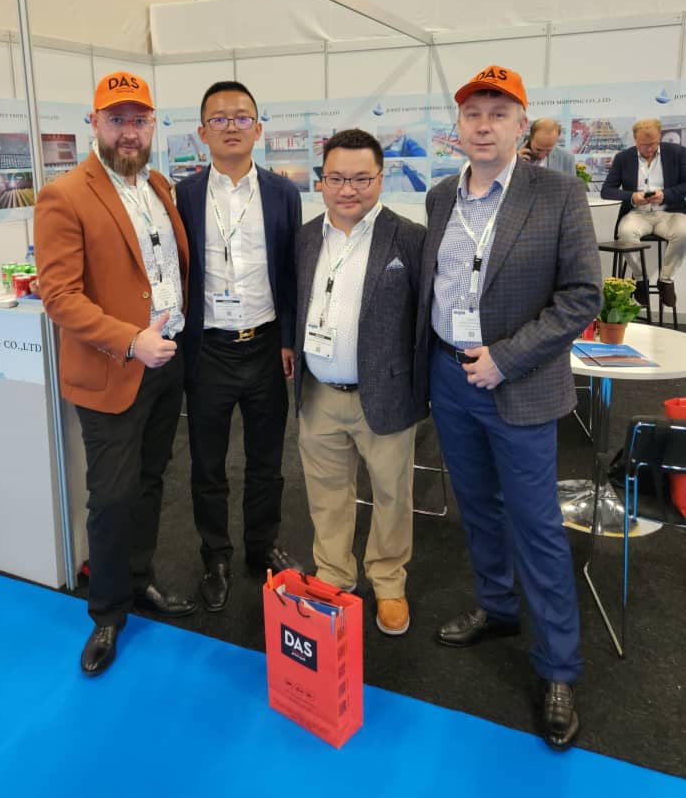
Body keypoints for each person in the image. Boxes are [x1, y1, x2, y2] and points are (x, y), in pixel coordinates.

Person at [415, 64, 601, 750]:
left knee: (536, 522)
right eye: (473, 114)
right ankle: (496, 607)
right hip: (450, 377)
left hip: (516, 381)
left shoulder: (557, 194)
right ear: (458, 126)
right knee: (476, 505)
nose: (484, 125)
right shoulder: (440, 196)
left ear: (522, 125)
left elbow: (580, 296)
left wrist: (506, 357)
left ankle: (557, 666)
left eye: (499, 113)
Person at [34, 71, 196, 677]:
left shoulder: (157, 185)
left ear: (153, 125)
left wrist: (163, 342)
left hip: (167, 361)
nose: (129, 132)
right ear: (94, 123)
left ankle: (138, 578)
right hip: (112, 369)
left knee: (151, 480)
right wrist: (131, 341)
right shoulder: (64, 195)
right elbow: (60, 297)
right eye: (117, 119)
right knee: (112, 496)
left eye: (139, 120)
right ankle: (106, 612)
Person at [176, 81, 302, 613]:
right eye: (220, 118)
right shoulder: (182, 195)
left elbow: (291, 271)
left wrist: (290, 339)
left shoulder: (282, 193)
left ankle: (261, 547)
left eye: (242, 117)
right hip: (208, 349)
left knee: (266, 460)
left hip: (266, 345)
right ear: (202, 132)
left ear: (258, 128)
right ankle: (216, 557)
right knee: (207, 464)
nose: (231, 126)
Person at [294, 129, 426, 635]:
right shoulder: (306, 237)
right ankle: (333, 574)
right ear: (321, 181)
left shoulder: (408, 237)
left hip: (386, 391)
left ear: (381, 178)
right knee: (326, 492)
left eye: (361, 179)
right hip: (319, 393)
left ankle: (389, 579)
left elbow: (422, 319)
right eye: (336, 178)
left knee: (392, 492)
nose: (348, 189)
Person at [601, 118, 686, 309]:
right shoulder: (623, 157)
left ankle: (666, 280)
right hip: (638, 213)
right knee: (625, 233)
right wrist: (632, 196)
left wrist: (665, 194)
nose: (649, 149)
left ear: (660, 137)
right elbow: (607, 190)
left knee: (684, 231)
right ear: (635, 140)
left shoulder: (678, 153)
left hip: (670, 212)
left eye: (653, 143)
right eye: (643, 145)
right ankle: (640, 280)